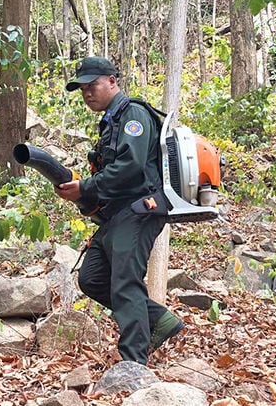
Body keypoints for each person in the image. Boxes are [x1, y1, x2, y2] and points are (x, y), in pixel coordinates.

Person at [54, 56, 185, 365]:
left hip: (141, 210)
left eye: (93, 85)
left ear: (112, 81)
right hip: (116, 215)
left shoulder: (133, 114)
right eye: (82, 89)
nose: (87, 93)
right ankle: (161, 321)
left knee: (125, 282)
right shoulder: (111, 122)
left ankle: (133, 364)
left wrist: (85, 187)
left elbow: (132, 165)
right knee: (92, 277)